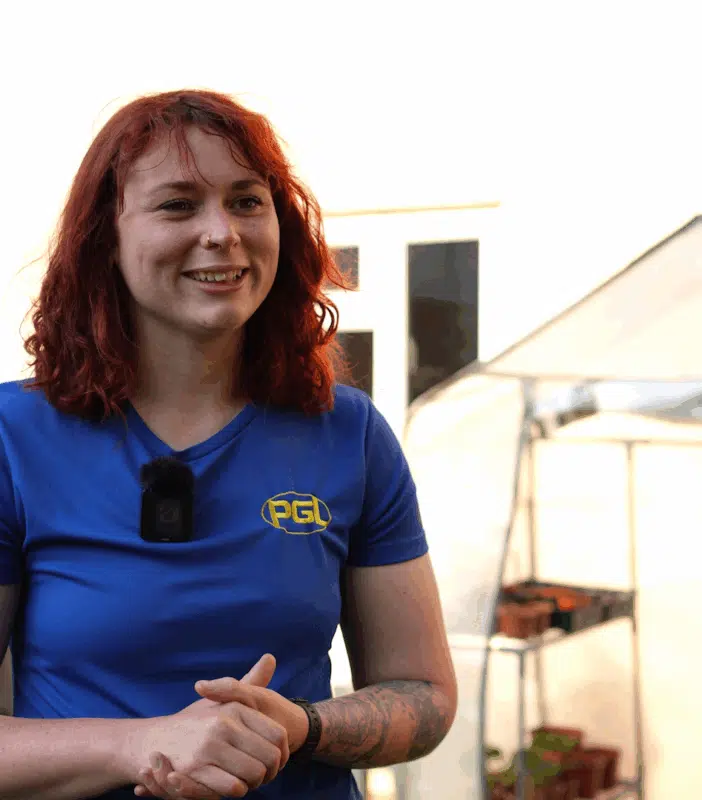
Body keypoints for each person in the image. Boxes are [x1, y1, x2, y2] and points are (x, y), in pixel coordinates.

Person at [0, 89, 457, 800]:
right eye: (177, 205)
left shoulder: (350, 433)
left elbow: (423, 694)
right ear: (105, 238)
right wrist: (140, 745)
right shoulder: (14, 438)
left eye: (247, 201)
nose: (222, 232)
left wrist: (300, 726)